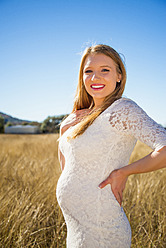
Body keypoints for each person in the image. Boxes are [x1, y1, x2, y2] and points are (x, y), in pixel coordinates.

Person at [56, 44, 166, 248]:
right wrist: (65, 129)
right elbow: (68, 169)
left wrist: (123, 172)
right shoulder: (75, 118)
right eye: (88, 71)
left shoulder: (122, 110)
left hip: (103, 230)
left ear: (119, 76)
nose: (95, 77)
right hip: (75, 227)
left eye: (104, 70)